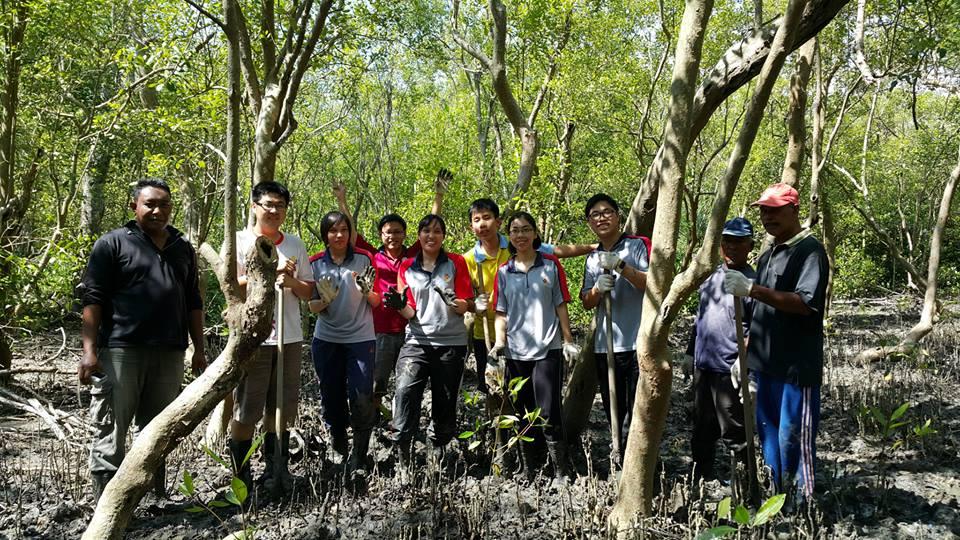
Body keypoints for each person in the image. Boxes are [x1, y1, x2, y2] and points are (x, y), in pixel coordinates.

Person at [78, 178, 206, 503]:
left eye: (164, 204)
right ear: (134, 206)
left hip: (169, 352)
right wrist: (89, 351)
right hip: (121, 350)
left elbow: (193, 301)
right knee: (111, 429)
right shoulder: (112, 244)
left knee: (157, 431)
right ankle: (108, 508)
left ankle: (153, 498)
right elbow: (92, 298)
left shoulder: (182, 248)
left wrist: (199, 349)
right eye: (150, 204)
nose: (157, 211)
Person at [723, 183, 828, 504]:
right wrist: (744, 355)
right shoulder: (768, 254)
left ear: (794, 210)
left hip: (796, 368)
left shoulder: (810, 251)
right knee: (769, 439)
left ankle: (801, 506)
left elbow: (805, 303)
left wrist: (751, 288)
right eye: (764, 211)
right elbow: (761, 313)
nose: (767, 217)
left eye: (775, 210)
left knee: (793, 440)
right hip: (764, 367)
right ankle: (776, 501)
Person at [333, 172, 448, 419]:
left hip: (411, 330)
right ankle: (373, 419)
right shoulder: (373, 256)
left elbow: (431, 228)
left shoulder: (413, 255)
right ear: (381, 235)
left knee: (407, 383)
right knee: (378, 381)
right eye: (387, 232)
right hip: (380, 330)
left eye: (397, 232)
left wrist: (438, 196)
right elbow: (352, 233)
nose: (392, 236)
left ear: (405, 234)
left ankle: (402, 420)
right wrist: (342, 201)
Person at [229, 181, 314, 493]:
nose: (274, 210)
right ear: (254, 206)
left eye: (280, 205)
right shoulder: (240, 241)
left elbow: (308, 291)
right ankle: (241, 477)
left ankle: (275, 470)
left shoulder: (295, 244)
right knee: (247, 410)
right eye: (268, 204)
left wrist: (289, 280)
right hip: (254, 337)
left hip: (288, 337)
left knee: (281, 409)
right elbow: (232, 286)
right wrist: (267, 273)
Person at [463, 198, 593, 394]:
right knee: (495, 392)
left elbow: (559, 251)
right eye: (476, 220)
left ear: (498, 222)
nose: (482, 224)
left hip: (525, 335)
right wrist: (474, 305)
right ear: (471, 226)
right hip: (487, 335)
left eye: (487, 218)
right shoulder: (469, 259)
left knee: (529, 393)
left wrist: (594, 247)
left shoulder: (519, 243)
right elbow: (463, 298)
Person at [489, 212, 581, 478]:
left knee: (549, 410)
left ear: (535, 233)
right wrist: (499, 342)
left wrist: (568, 340)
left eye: (526, 229)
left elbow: (560, 304)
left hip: (547, 349)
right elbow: (501, 312)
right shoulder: (504, 272)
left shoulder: (550, 265)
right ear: (509, 236)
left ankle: (561, 472)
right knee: (522, 410)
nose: (520, 235)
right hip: (516, 351)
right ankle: (529, 468)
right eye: (515, 231)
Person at [386, 214, 473, 477]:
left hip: (451, 344)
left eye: (436, 231)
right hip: (416, 342)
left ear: (443, 236)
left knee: (445, 402)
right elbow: (410, 311)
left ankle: (438, 454)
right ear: (419, 236)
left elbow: (465, 305)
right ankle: (404, 460)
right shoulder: (407, 267)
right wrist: (399, 306)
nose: (431, 236)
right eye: (426, 231)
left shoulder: (456, 262)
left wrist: (452, 300)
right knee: (404, 393)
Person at [308, 211, 380, 476]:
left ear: (350, 233)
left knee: (361, 396)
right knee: (331, 395)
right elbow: (312, 307)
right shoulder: (315, 263)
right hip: (327, 339)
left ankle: (360, 455)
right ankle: (339, 445)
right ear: (325, 234)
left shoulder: (364, 258)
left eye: (344, 230)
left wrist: (367, 291)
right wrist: (325, 300)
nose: (339, 235)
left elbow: (376, 301)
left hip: (361, 338)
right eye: (333, 230)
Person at [686, 217, 755, 483]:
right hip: (704, 367)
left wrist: (744, 361)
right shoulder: (710, 276)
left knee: (734, 430)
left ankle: (747, 482)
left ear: (750, 246)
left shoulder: (752, 282)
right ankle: (701, 479)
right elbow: (700, 318)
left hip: (730, 371)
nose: (732, 247)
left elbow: (757, 327)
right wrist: (690, 352)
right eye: (727, 241)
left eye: (739, 242)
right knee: (702, 429)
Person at [580, 193, 649, 451]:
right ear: (589, 222)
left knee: (637, 412)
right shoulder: (591, 258)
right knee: (614, 411)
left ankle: (638, 461)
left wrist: (621, 267)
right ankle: (619, 456)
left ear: (618, 216)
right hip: (606, 346)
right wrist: (597, 289)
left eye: (607, 212)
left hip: (637, 343)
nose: (602, 218)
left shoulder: (637, 246)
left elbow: (652, 284)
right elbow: (587, 302)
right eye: (595, 215)